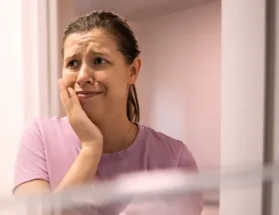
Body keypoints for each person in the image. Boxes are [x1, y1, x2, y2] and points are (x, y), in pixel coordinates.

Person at [13, 11, 203, 214]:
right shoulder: (39, 137)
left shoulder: (174, 157)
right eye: (73, 63)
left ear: (132, 71)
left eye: (99, 61)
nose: (83, 76)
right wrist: (91, 147)